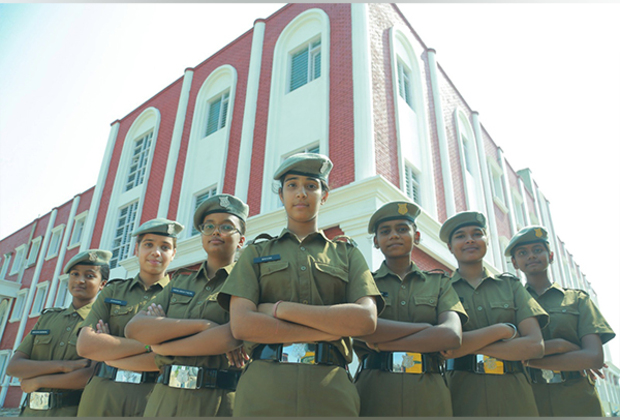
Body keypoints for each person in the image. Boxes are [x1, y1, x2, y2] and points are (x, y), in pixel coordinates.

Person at [217, 153, 385, 416]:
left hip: (330, 389)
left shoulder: (347, 254)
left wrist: (278, 309)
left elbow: (364, 320)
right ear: (281, 195)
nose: (301, 193)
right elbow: (242, 325)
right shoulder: (255, 254)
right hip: (264, 388)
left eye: (311, 185)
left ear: (324, 195)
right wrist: (329, 330)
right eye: (292, 185)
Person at [125, 194, 250, 417]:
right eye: (209, 226)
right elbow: (135, 328)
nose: (215, 231)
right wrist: (204, 326)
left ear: (241, 240)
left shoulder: (248, 281)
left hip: (218, 401)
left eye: (226, 226)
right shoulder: (180, 282)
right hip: (164, 399)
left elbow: (230, 337)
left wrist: (161, 344)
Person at [353, 201, 468, 416]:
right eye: (385, 231)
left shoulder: (440, 283)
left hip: (429, 390)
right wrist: (427, 328)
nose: (394, 235)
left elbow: (452, 336)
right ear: (376, 241)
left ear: (417, 236)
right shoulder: (364, 283)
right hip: (375, 390)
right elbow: (360, 328)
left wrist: (379, 343)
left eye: (403, 229)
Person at [438, 211, 549, 416]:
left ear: (487, 241)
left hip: (515, 394)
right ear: (450, 247)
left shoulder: (511, 286)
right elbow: (445, 349)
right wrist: (502, 331)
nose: (470, 239)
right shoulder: (440, 289)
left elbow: (535, 346)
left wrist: (466, 346)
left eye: (477, 234)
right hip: (461, 394)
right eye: (461, 236)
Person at [75, 218, 182, 417]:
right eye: (148, 244)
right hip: (102, 393)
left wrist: (109, 349)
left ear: (174, 253)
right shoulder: (113, 291)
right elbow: (86, 346)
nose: (156, 252)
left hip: (152, 397)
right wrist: (152, 346)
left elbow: (171, 358)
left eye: (165, 247)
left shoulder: (180, 297)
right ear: (136, 249)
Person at [505, 226, 615, 417]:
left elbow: (594, 357)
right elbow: (506, 352)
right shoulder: (510, 303)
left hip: (577, 396)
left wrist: (528, 360)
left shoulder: (578, 299)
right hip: (529, 397)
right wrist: (563, 347)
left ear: (551, 255)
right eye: (523, 253)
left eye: (538, 250)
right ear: (514, 263)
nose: (531, 256)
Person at [6, 249, 110, 417]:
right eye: (75, 274)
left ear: (102, 284)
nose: (80, 280)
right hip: (30, 412)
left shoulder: (102, 322)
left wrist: (38, 380)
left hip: (72, 411)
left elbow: (89, 375)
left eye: (89, 276)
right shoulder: (47, 319)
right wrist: (63, 366)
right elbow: (14, 367)